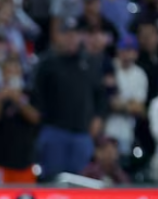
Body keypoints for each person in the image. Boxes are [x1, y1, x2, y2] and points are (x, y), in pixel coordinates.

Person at [33, 17, 106, 180]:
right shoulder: (47, 63)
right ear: (59, 36)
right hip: (54, 132)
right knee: (52, 180)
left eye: (75, 34)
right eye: (67, 34)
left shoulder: (89, 62)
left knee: (80, 182)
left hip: (82, 134)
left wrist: (98, 118)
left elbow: (100, 94)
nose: (71, 38)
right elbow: (36, 97)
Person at [0, 58, 40, 184]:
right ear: (3, 74)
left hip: (24, 163)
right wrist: (0, 99)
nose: (13, 75)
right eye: (9, 71)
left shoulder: (30, 94)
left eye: (16, 71)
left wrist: (18, 99)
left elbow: (35, 118)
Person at [105, 34, 147, 155]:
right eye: (124, 49)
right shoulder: (109, 67)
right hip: (107, 129)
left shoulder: (140, 74)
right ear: (118, 50)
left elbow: (139, 108)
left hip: (127, 132)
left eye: (131, 50)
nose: (127, 54)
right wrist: (129, 104)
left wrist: (121, 104)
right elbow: (110, 103)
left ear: (136, 53)